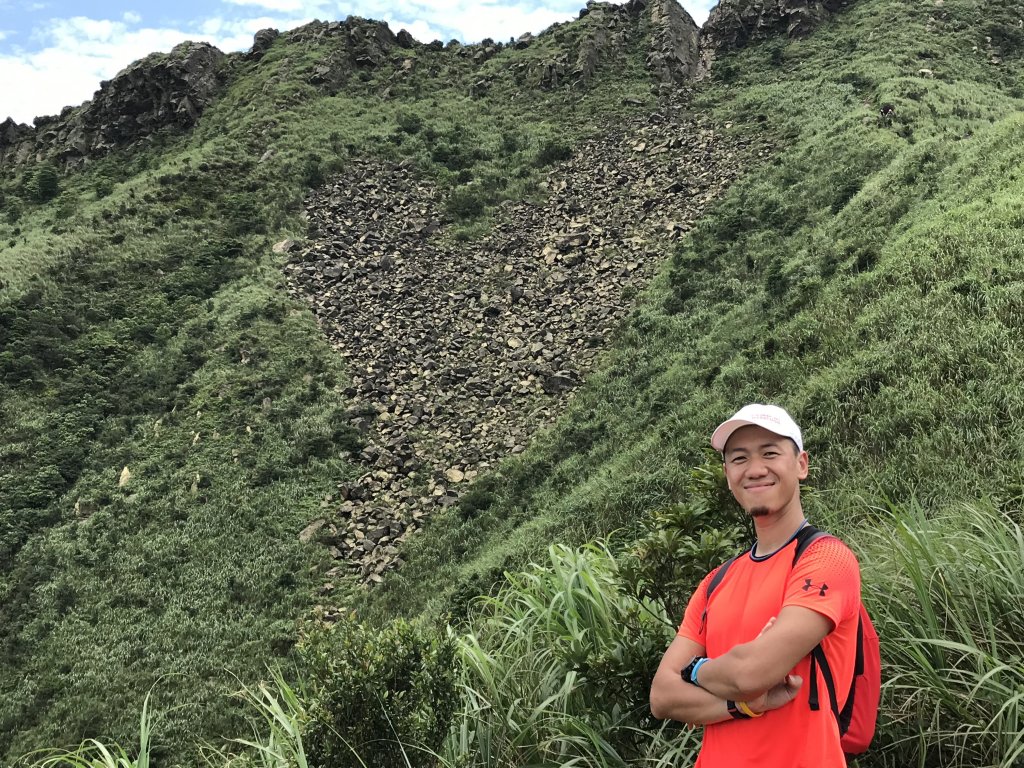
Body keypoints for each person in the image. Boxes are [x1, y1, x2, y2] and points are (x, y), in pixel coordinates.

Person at [649, 403, 862, 767]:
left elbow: (751, 672)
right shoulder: (715, 582)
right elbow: (663, 696)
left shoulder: (825, 560)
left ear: (801, 464)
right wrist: (742, 704)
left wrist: (695, 670)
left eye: (770, 453)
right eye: (739, 458)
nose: (755, 469)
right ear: (728, 473)